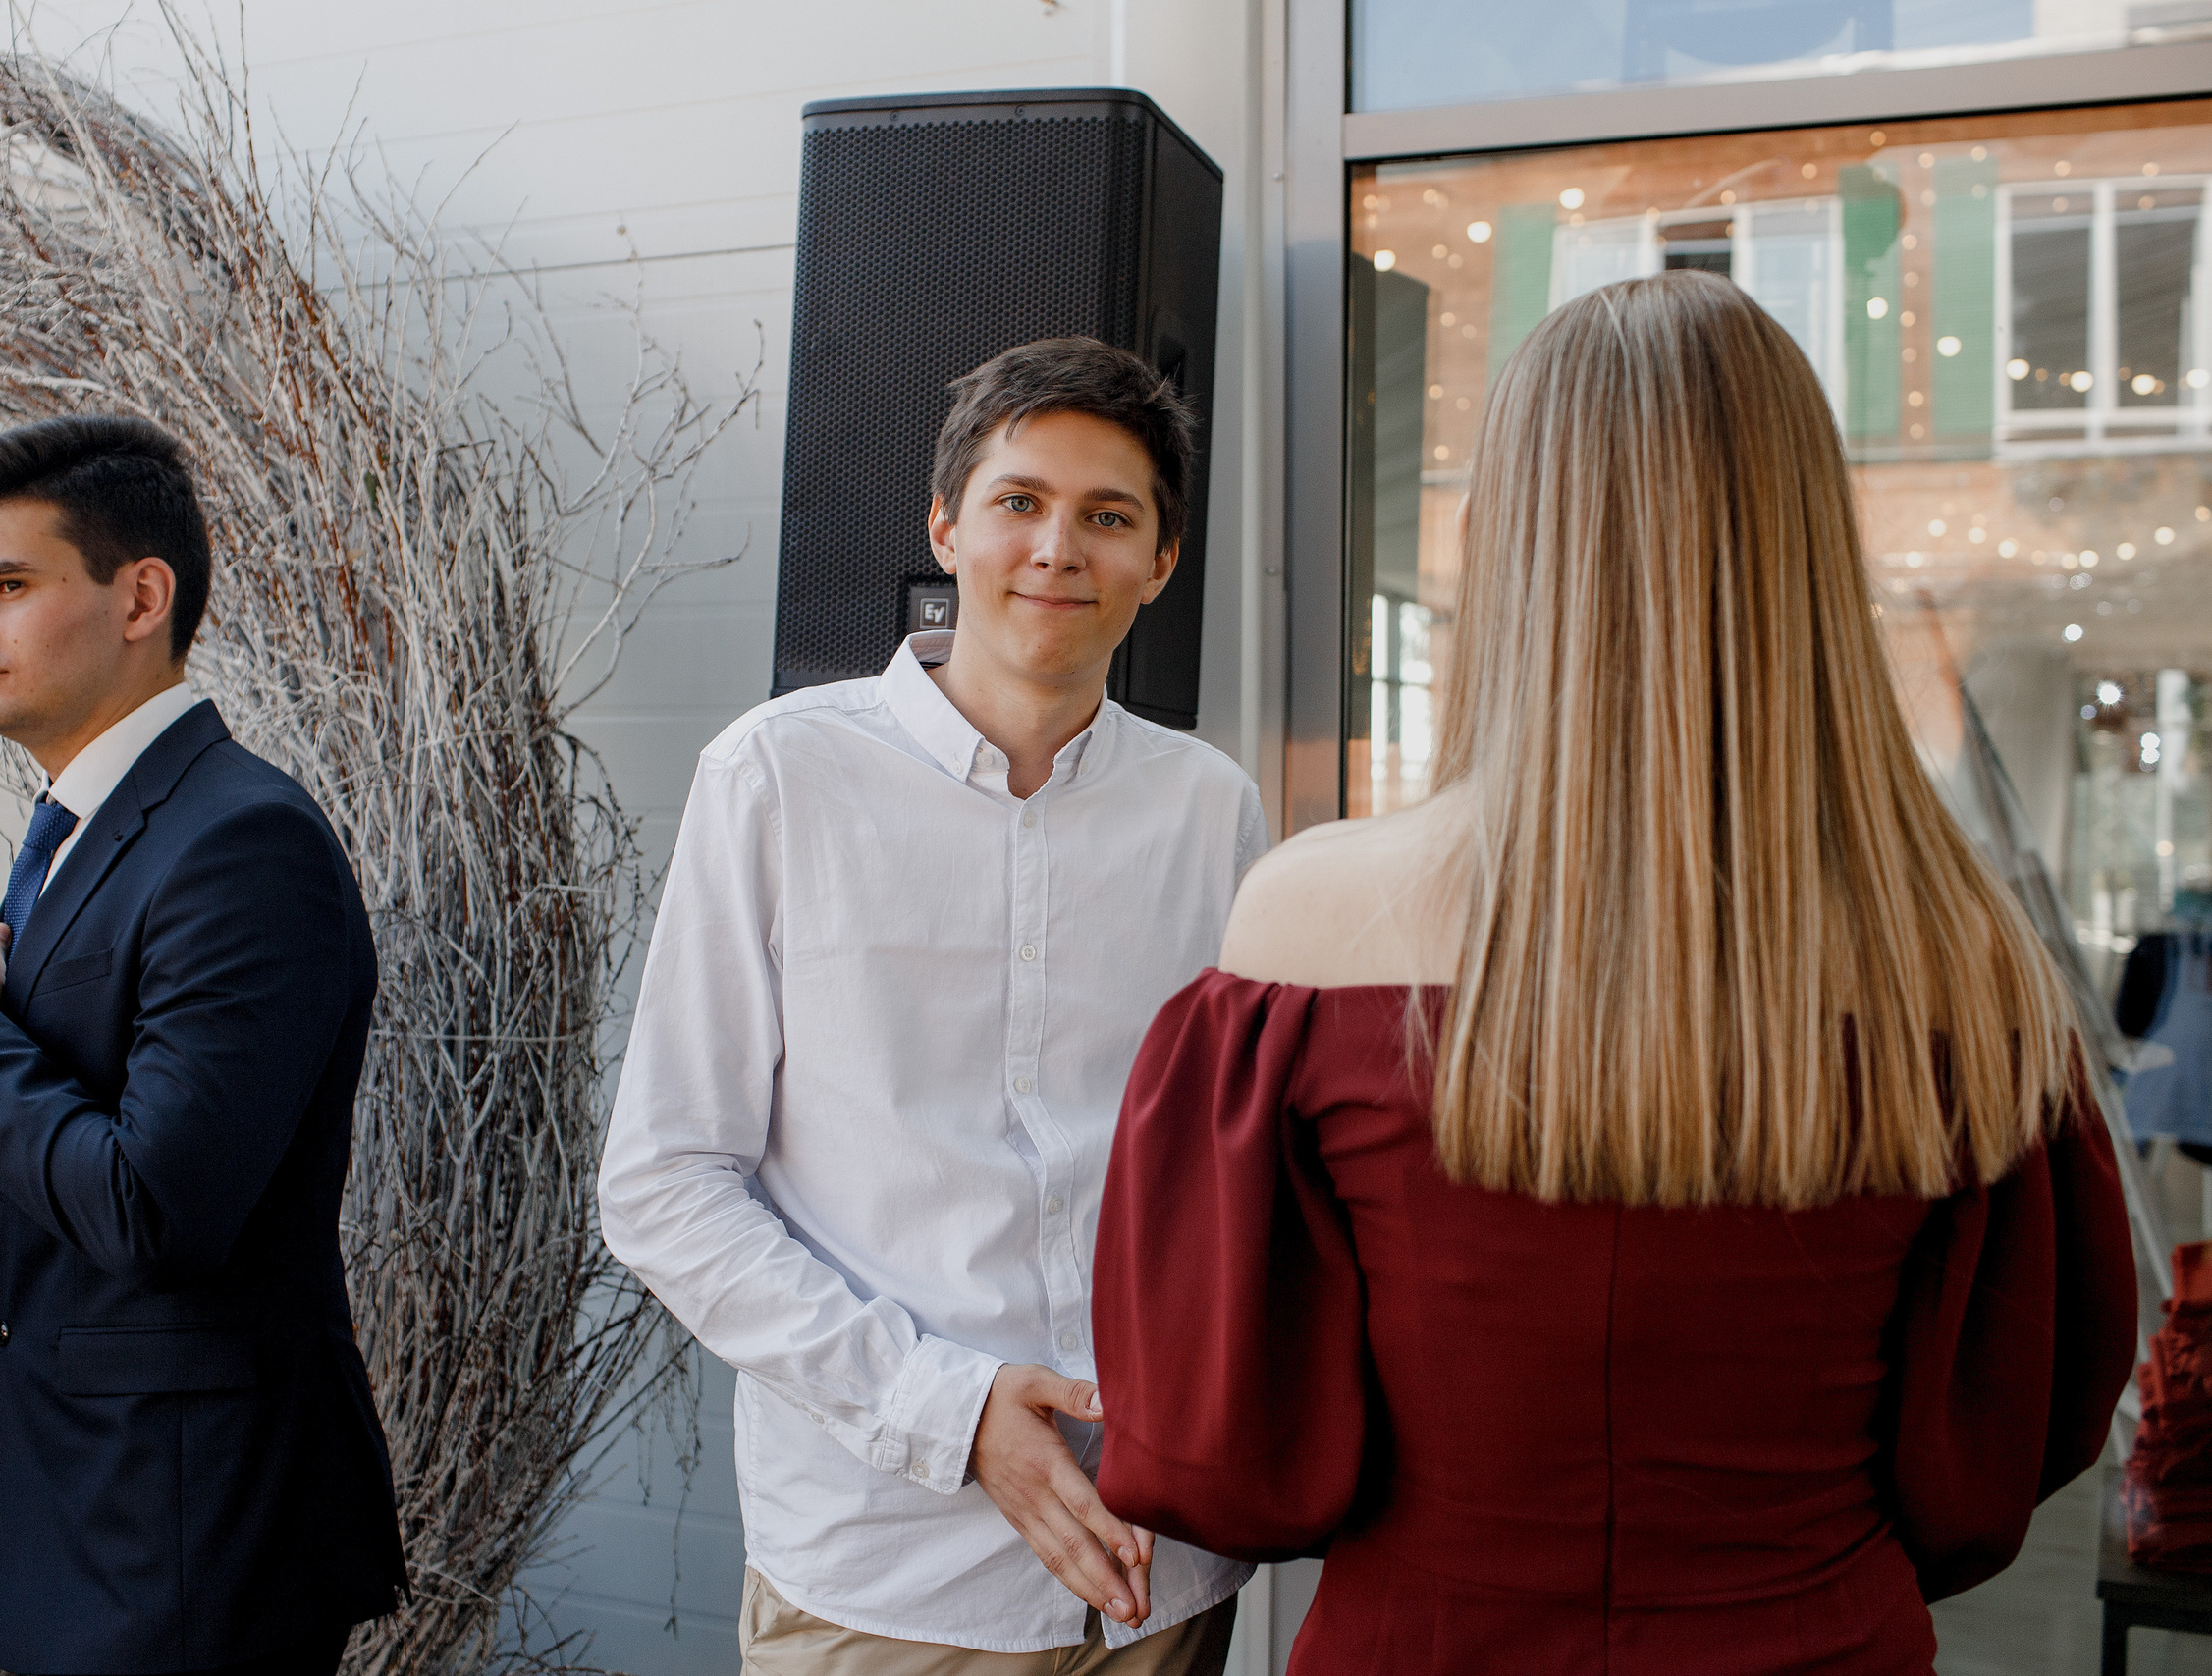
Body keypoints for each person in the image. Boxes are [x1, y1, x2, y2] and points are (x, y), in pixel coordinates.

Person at [1090, 271, 2138, 1674]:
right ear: (1809, 544)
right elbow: (2018, 1428)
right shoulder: (1964, 963)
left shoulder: (1309, 924)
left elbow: (1222, 1444)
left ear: (1508, 546)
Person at [600, 338, 1263, 1674]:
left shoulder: (1213, 805)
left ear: (1162, 562)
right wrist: (948, 1411)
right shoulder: (778, 774)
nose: (1056, 547)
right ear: (946, 526)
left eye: (1108, 515)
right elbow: (666, 1181)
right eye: (1020, 500)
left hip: (1162, 1565)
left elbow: (1235, 1165)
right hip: (887, 1571)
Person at [0, 416, 405, 1676]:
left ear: (140, 596)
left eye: (8, 587)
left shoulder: (239, 841)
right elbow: (65, 1159)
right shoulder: (74, 829)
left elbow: (157, 1205)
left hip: (186, 1541)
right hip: (87, 1517)